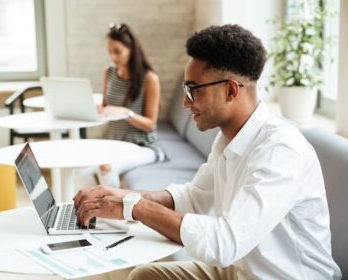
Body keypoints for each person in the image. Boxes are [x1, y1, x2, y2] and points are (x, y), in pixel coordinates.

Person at [73, 24, 342, 280]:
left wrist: (136, 207)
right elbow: (193, 197)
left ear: (231, 90)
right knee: (144, 275)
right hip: (241, 270)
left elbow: (223, 243)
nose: (184, 102)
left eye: (193, 90)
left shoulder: (280, 151)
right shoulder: (227, 138)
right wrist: (123, 196)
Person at [76, 23, 166, 189]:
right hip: (115, 143)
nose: (113, 57)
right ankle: (87, 214)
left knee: (106, 168)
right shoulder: (109, 73)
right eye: (110, 51)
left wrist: (126, 113)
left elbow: (150, 124)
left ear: (131, 50)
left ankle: (112, 215)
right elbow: (105, 107)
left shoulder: (149, 79)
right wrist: (93, 110)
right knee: (81, 170)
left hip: (143, 146)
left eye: (117, 51)